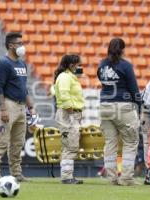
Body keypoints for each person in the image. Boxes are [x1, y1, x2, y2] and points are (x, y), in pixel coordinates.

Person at [0, 32, 36, 182]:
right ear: (11, 45)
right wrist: (3, 109)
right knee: (1, 141)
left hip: (21, 107)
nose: (22, 46)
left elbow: (24, 88)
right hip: (8, 105)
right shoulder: (3, 63)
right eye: (19, 43)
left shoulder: (22, 64)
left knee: (18, 143)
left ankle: (16, 173)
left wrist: (31, 107)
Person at [97, 38, 141, 186]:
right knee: (131, 141)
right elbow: (134, 89)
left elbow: (101, 81)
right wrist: (140, 106)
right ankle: (126, 178)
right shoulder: (126, 66)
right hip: (122, 106)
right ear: (122, 50)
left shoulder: (102, 64)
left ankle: (112, 178)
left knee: (110, 143)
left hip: (104, 106)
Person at [54, 54, 84, 184]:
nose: (80, 67)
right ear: (72, 65)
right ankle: (66, 176)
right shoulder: (65, 77)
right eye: (79, 65)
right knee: (69, 146)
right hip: (68, 114)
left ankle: (68, 175)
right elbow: (65, 96)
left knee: (71, 145)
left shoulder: (69, 77)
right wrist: (71, 115)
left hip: (72, 114)